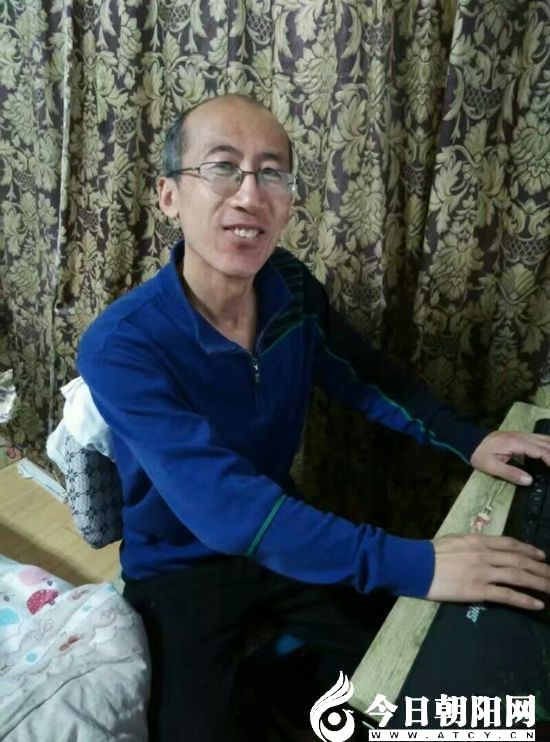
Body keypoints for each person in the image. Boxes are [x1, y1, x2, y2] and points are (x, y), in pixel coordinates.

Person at [77, 94, 550, 741]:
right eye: (223, 167)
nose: (250, 194)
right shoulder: (122, 345)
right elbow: (229, 510)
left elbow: (367, 377)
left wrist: (470, 441)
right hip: (180, 569)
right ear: (169, 196)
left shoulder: (289, 288)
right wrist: (420, 563)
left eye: (272, 172)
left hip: (287, 530)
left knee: (424, 682)